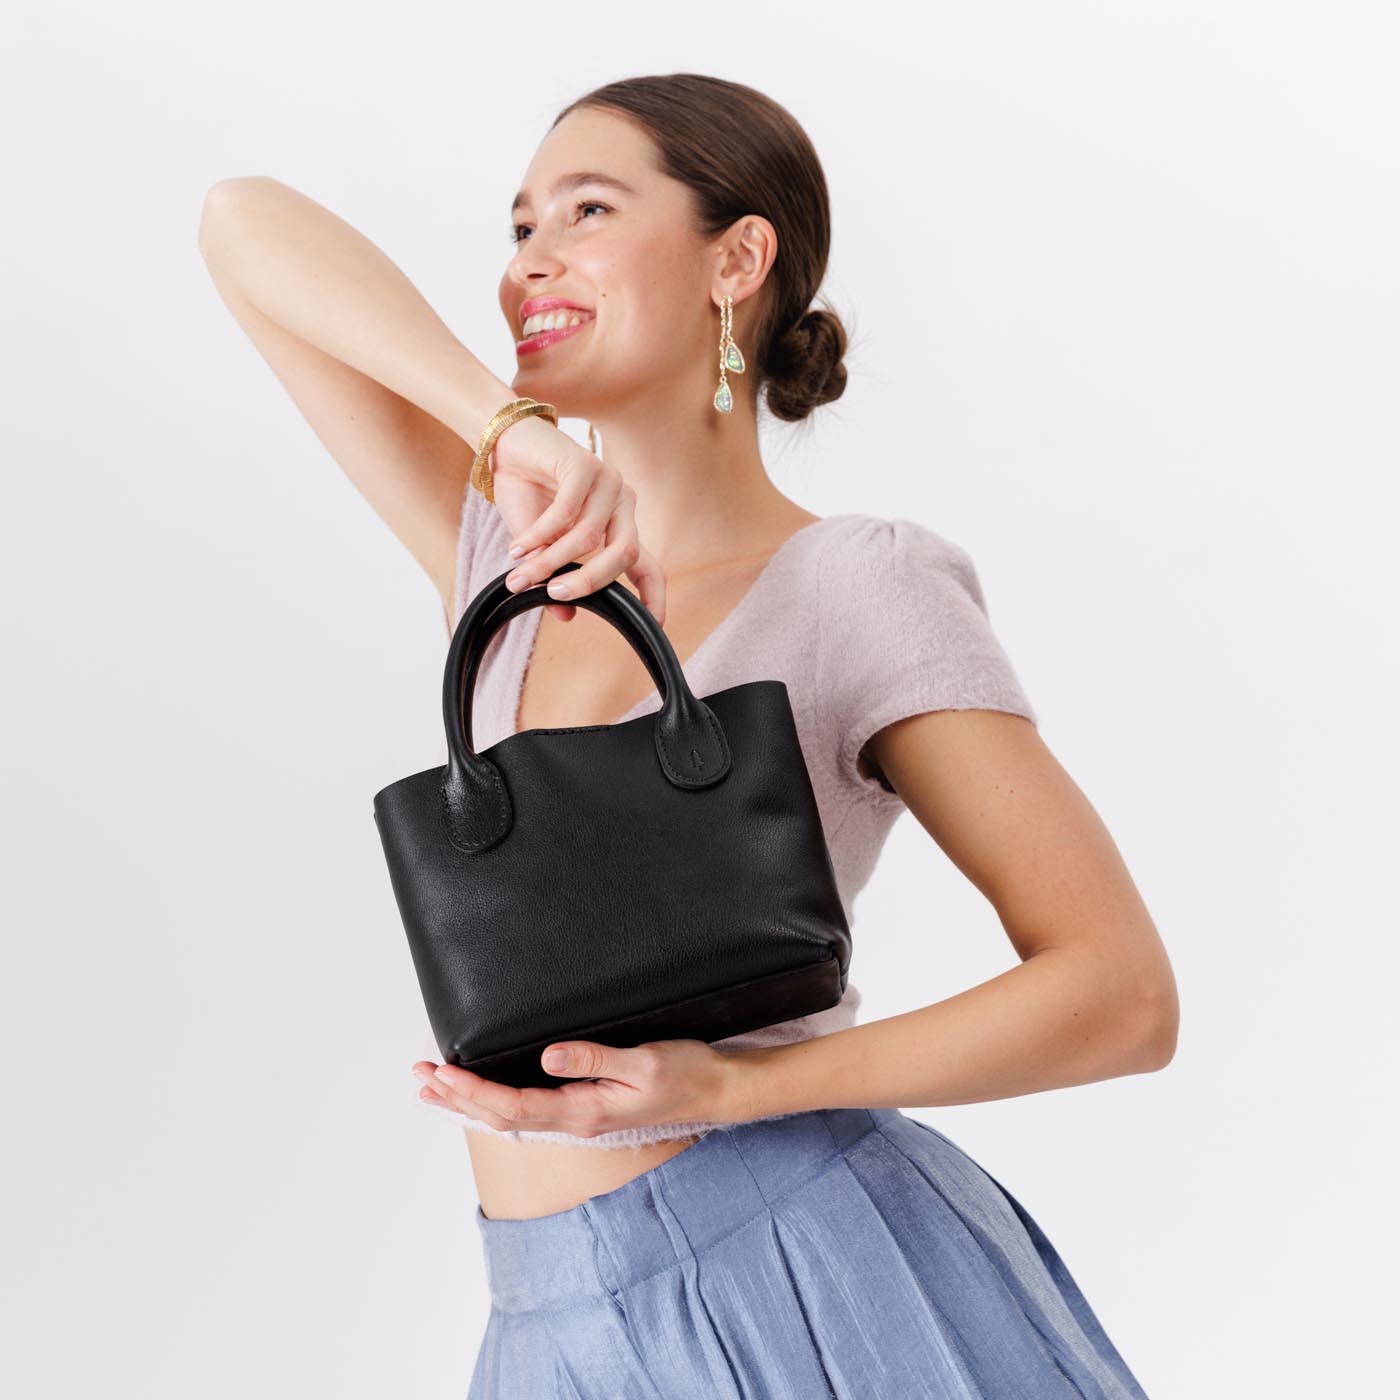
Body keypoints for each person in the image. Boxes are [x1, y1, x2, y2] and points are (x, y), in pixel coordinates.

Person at [199, 72, 1174, 1400]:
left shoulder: (857, 584)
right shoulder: (506, 555)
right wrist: (506, 429)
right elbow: (239, 224)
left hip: (806, 1277)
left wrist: (728, 1089)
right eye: (519, 226)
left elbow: (1120, 995)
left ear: (738, 258)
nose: (529, 261)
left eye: (588, 210)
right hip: (545, 1324)